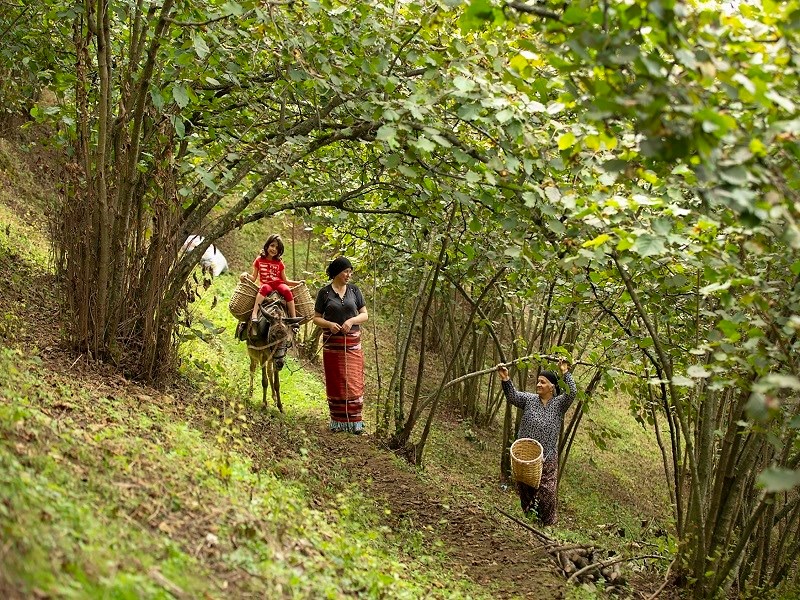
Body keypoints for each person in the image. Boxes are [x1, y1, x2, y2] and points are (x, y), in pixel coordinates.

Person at [497, 359, 576, 525]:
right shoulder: (529, 400)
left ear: (552, 386)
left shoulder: (559, 404)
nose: (538, 384)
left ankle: (547, 523)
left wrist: (565, 371)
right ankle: (531, 521)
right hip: (526, 455)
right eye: (538, 381)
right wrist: (505, 378)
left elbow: (572, 393)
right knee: (526, 489)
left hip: (547, 456)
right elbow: (512, 396)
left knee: (547, 492)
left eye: (543, 382)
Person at [312, 257, 369, 434]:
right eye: (346, 271)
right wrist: (329, 324)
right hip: (333, 344)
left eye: (350, 272)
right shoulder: (324, 293)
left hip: (352, 343)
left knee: (353, 380)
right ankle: (338, 421)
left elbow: (364, 315)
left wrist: (351, 321)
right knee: (336, 380)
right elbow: (316, 318)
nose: (349, 275)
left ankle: (355, 423)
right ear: (337, 272)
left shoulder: (354, 291)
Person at [241, 234, 304, 330]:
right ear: (267, 246)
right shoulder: (259, 260)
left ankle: (293, 317)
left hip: (279, 284)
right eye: (272, 246)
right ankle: (254, 313)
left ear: (279, 251)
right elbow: (253, 278)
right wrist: (245, 275)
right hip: (267, 285)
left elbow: (285, 280)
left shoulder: (279, 263)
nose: (274, 249)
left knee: (287, 290)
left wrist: (298, 283)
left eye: (277, 248)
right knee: (264, 288)